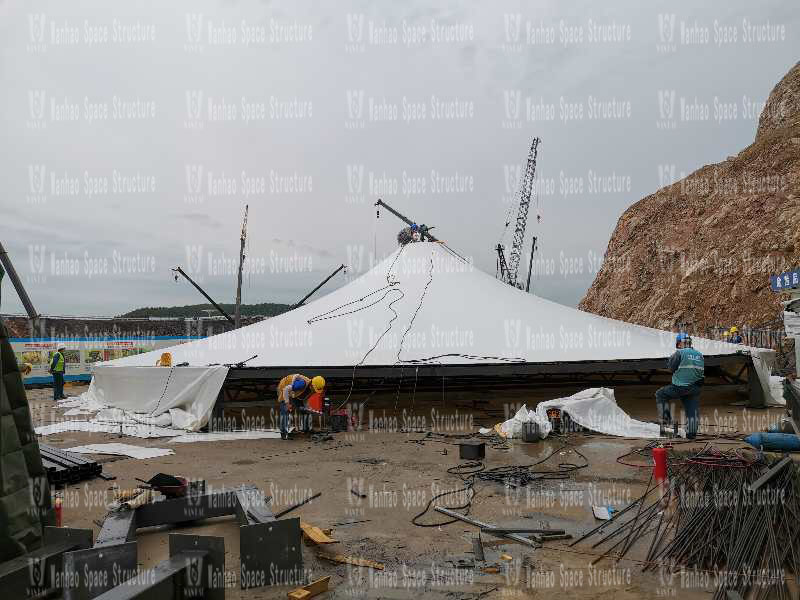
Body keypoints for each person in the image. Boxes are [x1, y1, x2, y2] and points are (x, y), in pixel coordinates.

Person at [655, 333, 704, 439]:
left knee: (661, 394)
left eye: (678, 344)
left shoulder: (679, 353)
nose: (678, 346)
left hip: (680, 386)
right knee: (692, 410)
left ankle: (667, 426)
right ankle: (691, 434)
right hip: (695, 387)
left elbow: (671, 368)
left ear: (681, 342)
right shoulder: (699, 354)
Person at [276, 374, 326, 439]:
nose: (315, 390)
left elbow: (305, 400)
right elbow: (286, 389)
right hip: (284, 387)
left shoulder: (311, 389)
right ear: (312, 384)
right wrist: (288, 404)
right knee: (285, 410)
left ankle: (307, 430)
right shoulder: (302, 384)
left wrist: (308, 408)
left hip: (294, 392)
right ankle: (284, 434)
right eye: (315, 389)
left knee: (305, 411)